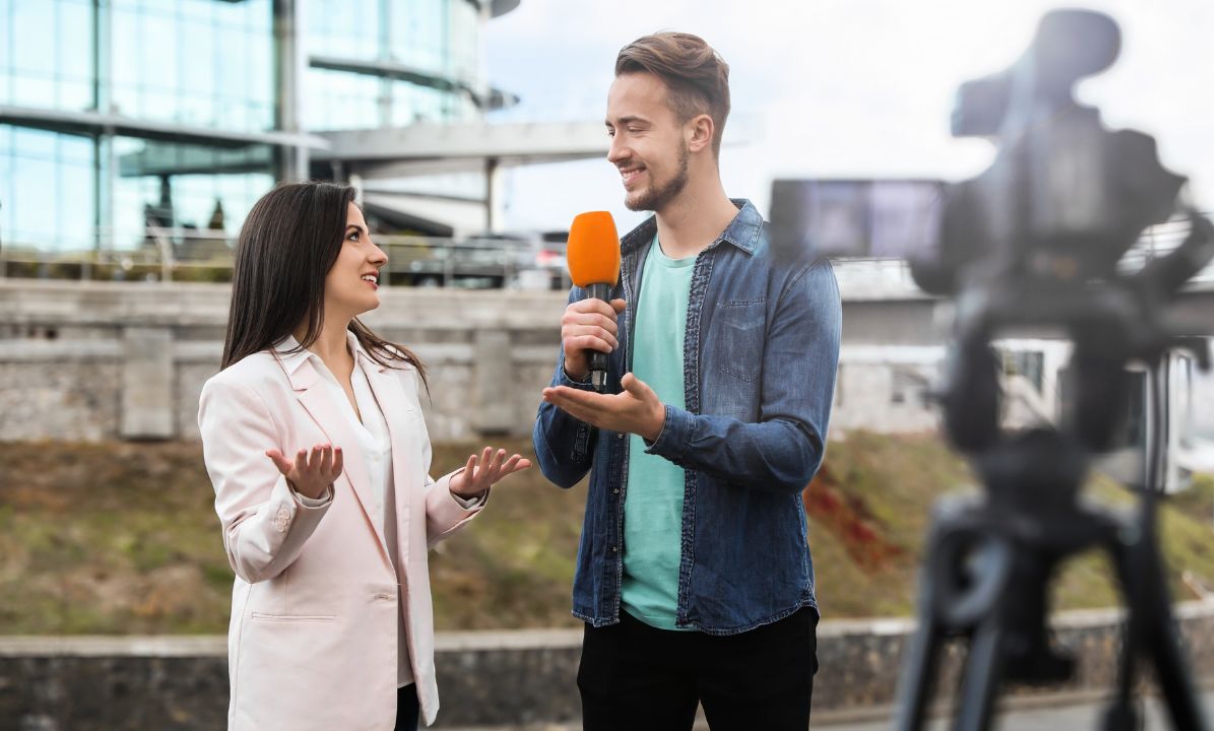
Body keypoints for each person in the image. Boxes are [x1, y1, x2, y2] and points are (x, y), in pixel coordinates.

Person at [532, 32, 842, 731]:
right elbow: (558, 463)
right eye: (611, 129)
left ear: (699, 131)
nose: (615, 149)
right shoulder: (611, 269)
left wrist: (663, 428)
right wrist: (573, 369)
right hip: (623, 624)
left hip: (755, 622)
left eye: (635, 128)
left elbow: (795, 450)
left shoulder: (792, 268)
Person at [197, 182, 529, 731]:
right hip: (304, 692)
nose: (378, 253)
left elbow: (397, 523)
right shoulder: (243, 389)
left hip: (397, 678)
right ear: (300, 251)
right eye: (355, 236)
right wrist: (301, 497)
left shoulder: (392, 370)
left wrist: (457, 493)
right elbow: (250, 556)